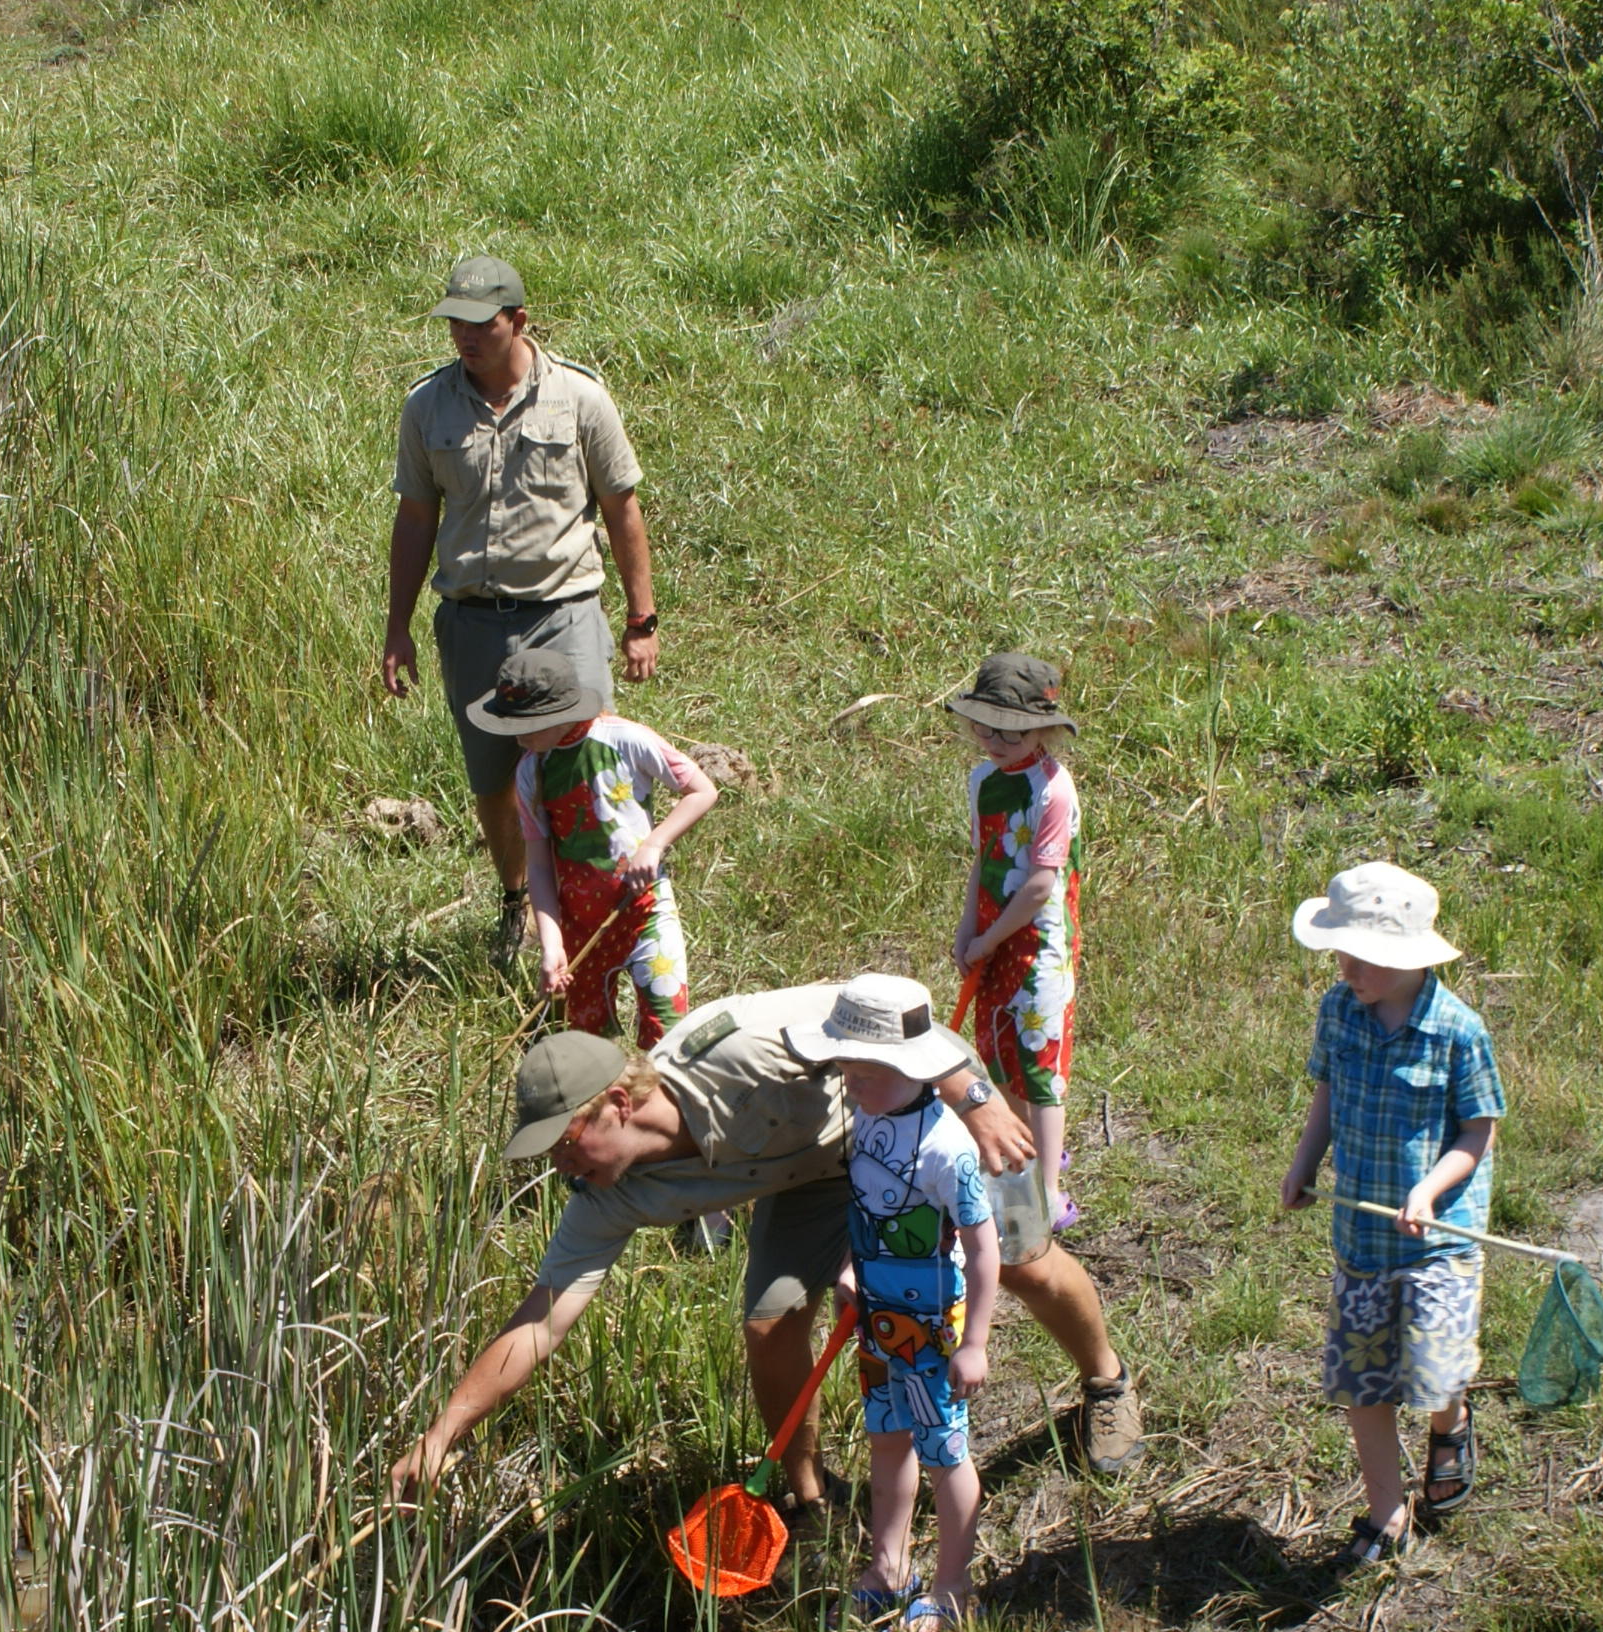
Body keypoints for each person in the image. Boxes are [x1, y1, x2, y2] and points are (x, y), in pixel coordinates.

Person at [387, 977, 1146, 1508]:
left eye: (566, 1141)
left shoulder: (738, 1047)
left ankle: (1106, 1385)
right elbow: (540, 1319)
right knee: (771, 1324)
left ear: (617, 1102)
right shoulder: (607, 1195)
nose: (561, 1166)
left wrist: (974, 1100)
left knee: (1022, 1260)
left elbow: (876, 1013)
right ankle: (810, 1493)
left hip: (914, 1101)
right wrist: (443, 1431)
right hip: (817, 1174)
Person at [380, 255, 661, 955]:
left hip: (563, 611)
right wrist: (397, 628)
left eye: (481, 324)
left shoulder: (580, 399)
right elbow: (416, 519)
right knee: (493, 778)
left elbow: (623, 509)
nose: (465, 337)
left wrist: (640, 619)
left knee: (586, 766)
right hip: (472, 621)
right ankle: (518, 902)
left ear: (518, 321)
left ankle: (599, 908)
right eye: (455, 324)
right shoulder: (428, 407)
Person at [1277, 862, 1507, 1566]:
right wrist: (1304, 1162)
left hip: (1437, 1238)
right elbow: (1326, 1094)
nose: (1345, 966)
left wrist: (1431, 1189)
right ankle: (1387, 1510)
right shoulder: (1339, 1010)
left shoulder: (1456, 1032)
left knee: (1434, 1369)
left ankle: (1451, 1420)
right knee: (1362, 1378)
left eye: (1362, 956)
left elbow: (1478, 1129)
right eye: (1339, 951)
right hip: (1362, 1238)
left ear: (1409, 959)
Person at [820, 1007, 998, 1630]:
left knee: (945, 1450)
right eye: (846, 1069)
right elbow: (865, 1205)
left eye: (862, 1071)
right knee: (888, 1436)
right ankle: (890, 1565)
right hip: (878, 1319)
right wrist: (851, 1266)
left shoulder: (948, 1146)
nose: (850, 1084)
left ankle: (953, 1586)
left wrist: (974, 1341)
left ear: (907, 1068)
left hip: (932, 1327)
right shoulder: (869, 1117)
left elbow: (982, 1247)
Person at [469, 648, 717, 1046]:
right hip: (580, 927)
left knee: (667, 1032)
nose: (519, 736)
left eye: (529, 725)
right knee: (587, 1044)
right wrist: (553, 946)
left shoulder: (626, 739)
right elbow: (539, 867)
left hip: (645, 913)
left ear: (562, 710)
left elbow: (702, 791)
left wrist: (653, 844)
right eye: (512, 724)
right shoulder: (532, 771)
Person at [949, 653, 1083, 1230]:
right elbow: (984, 859)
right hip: (992, 939)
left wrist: (991, 939)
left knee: (1039, 1060)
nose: (996, 740)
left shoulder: (1052, 790)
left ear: (1044, 730)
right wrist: (967, 930)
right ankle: (1025, 1150)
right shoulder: (984, 781)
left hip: (1039, 945)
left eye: (1013, 731)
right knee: (999, 1052)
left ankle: (1048, 1191)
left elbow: (1038, 885)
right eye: (986, 727)